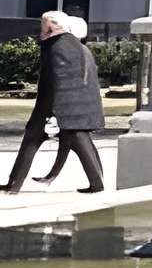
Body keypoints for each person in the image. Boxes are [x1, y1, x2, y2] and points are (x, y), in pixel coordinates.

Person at [8, 10, 107, 194]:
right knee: (77, 141)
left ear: (52, 27)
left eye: (43, 27)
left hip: (64, 108)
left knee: (73, 139)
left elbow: (60, 82)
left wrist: (54, 112)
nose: (40, 32)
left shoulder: (59, 46)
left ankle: (14, 184)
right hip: (71, 108)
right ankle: (14, 183)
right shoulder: (75, 46)